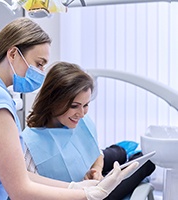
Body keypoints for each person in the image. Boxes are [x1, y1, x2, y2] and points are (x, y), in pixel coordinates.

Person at [0, 18, 138, 200]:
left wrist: (76, 187)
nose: (41, 72)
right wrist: (86, 195)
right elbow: (20, 190)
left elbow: (19, 175)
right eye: (39, 64)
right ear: (13, 54)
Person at [22, 61, 156, 200]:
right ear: (53, 100)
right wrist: (82, 189)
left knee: (119, 153)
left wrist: (97, 170)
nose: (81, 113)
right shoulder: (29, 146)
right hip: (80, 195)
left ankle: (121, 152)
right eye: (74, 106)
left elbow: (96, 154)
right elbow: (27, 188)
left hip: (88, 171)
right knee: (146, 162)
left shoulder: (78, 120)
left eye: (86, 105)